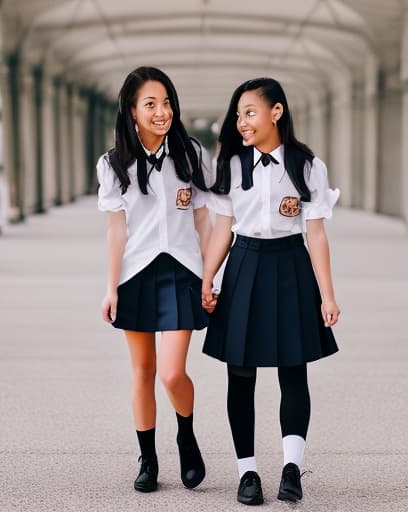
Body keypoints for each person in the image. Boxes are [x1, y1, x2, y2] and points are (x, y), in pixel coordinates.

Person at [201, 77, 340, 505]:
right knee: (239, 374)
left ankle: (291, 470)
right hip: (244, 265)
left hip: (290, 265)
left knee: (292, 370)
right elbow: (223, 228)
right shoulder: (231, 165)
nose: (241, 122)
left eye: (250, 112)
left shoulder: (306, 165)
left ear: (276, 112)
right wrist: (208, 278)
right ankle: (247, 473)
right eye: (238, 114)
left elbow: (315, 234)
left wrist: (328, 295)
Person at [97, 66, 212, 493]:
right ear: (131, 110)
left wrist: (209, 276)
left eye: (166, 103)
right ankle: (147, 457)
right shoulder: (113, 165)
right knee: (142, 370)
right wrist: (111, 287)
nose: (161, 111)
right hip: (136, 273)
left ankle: (186, 434)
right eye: (150, 104)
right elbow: (116, 231)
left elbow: (204, 219)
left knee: (171, 373)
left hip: (183, 269)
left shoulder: (191, 154)